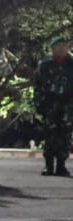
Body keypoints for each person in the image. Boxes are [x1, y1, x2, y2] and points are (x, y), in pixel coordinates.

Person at [34, 38, 73, 177]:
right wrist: (39, 104)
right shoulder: (45, 66)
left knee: (65, 136)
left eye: (64, 46)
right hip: (50, 104)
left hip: (68, 105)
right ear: (52, 48)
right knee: (50, 135)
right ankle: (48, 165)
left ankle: (61, 165)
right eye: (58, 46)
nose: (62, 48)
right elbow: (38, 86)